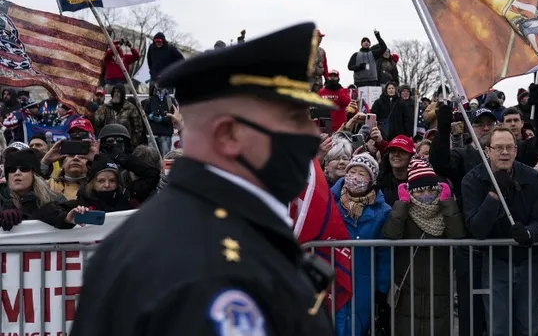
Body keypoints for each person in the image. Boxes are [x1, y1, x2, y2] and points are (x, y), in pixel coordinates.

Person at [69, 22, 337, 335]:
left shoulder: (193, 231)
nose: (311, 134)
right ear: (228, 134)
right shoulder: (216, 271)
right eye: (294, 119)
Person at [461, 127, 538, 336]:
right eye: (499, 148)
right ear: (487, 151)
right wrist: (494, 196)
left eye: (510, 147)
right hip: (495, 261)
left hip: (529, 260)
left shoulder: (532, 178)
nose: (505, 152)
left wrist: (529, 233)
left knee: (530, 325)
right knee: (498, 326)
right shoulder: (473, 180)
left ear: (516, 151)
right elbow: (477, 228)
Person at [383, 158, 465, 335]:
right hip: (407, 288)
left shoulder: (444, 210)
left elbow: (457, 234)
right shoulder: (404, 211)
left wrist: (447, 202)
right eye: (420, 190)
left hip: (439, 286)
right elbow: (391, 234)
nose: (426, 194)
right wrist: (401, 205)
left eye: (430, 189)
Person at [331, 153, 391, 336]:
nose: (355, 177)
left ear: (371, 180)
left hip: (363, 281)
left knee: (358, 325)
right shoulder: (329, 202)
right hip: (333, 279)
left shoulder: (382, 211)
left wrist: (381, 289)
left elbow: (384, 254)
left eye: (362, 174)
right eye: (352, 171)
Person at [0, 149, 86, 230]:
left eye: (24, 169)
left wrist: (64, 218)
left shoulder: (55, 199)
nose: (17, 173)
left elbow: (68, 217)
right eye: (12, 170)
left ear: (35, 175)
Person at [141, 82, 177, 157]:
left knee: (165, 157)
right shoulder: (150, 100)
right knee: (151, 158)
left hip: (165, 134)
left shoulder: (170, 100)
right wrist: (150, 116)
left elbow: (174, 117)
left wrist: (162, 119)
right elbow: (144, 115)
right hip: (152, 133)